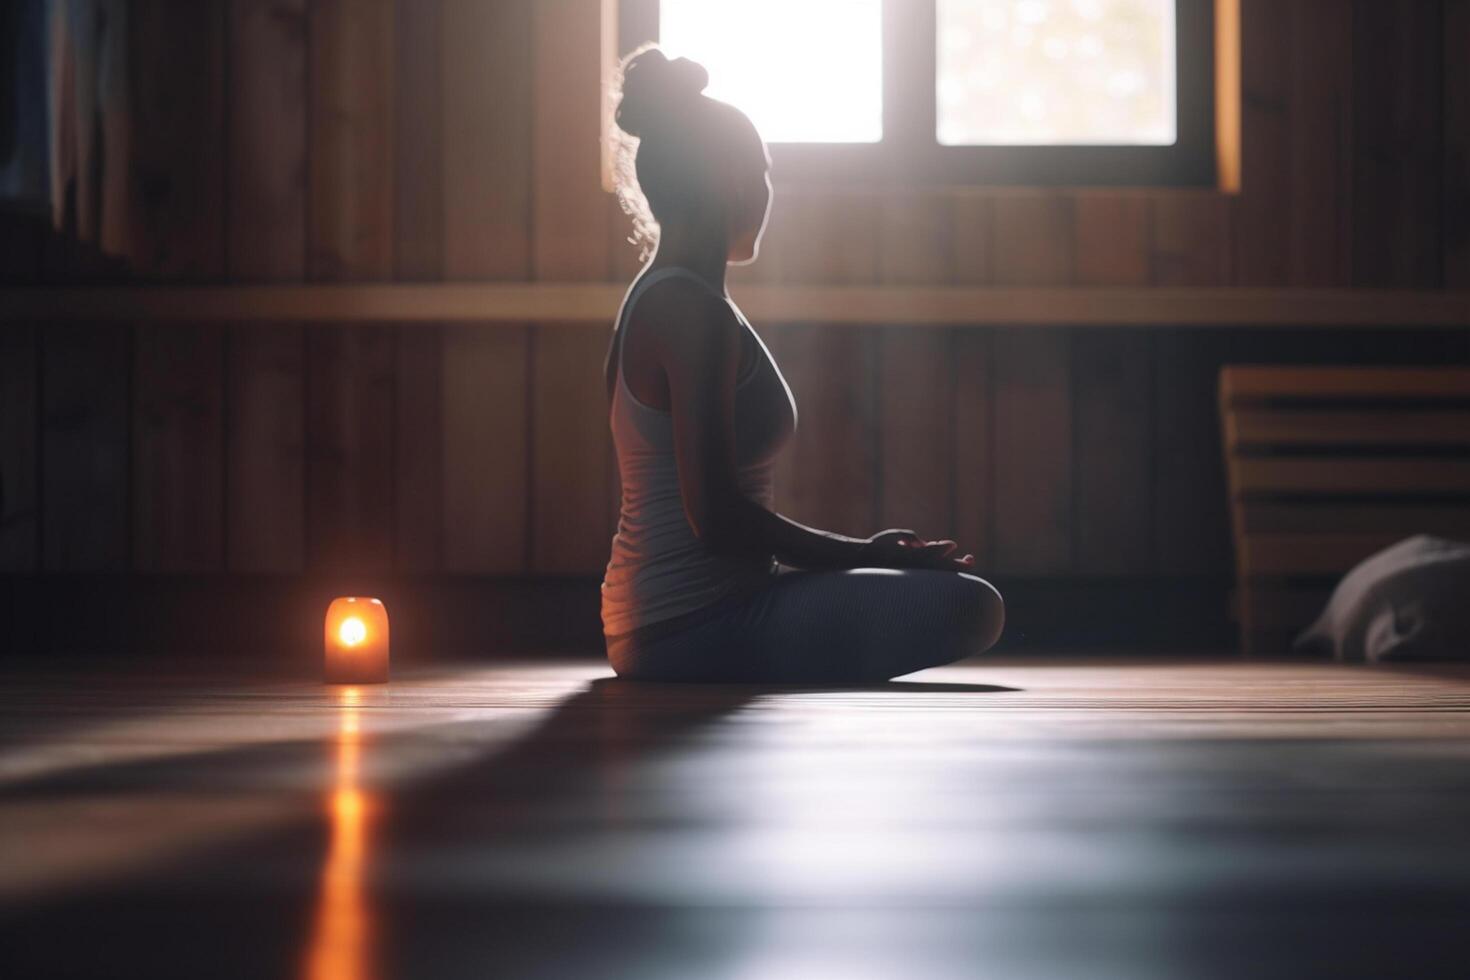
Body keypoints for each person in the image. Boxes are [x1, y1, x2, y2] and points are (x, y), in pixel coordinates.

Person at [601, 45, 1004, 683]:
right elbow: (718, 518)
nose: (767, 192)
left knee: (945, 595)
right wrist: (861, 554)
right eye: (763, 174)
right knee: (971, 605)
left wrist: (864, 560)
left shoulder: (676, 296)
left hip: (680, 617)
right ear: (731, 180)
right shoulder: (686, 308)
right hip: (690, 626)